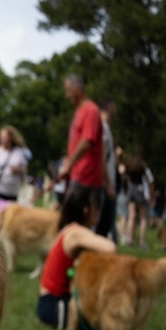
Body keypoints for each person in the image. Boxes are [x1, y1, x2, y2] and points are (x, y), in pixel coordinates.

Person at [37, 183, 117, 330]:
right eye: (97, 207)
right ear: (87, 210)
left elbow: (69, 272)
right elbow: (110, 248)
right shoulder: (76, 232)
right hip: (55, 305)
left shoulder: (68, 228)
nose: (99, 212)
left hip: (48, 303)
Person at [56, 75, 106, 221]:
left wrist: (69, 165)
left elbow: (86, 142)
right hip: (78, 175)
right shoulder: (80, 111)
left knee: (74, 223)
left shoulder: (91, 110)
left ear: (78, 89)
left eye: (68, 90)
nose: (67, 95)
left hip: (86, 178)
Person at [95, 97, 119, 240]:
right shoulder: (103, 127)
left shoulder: (106, 127)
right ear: (109, 107)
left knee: (104, 226)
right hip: (104, 184)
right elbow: (101, 157)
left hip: (106, 182)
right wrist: (109, 184)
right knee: (101, 226)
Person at [123, 149, 153, 249]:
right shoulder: (142, 165)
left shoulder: (129, 164)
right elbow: (148, 180)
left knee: (131, 216)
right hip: (140, 190)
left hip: (131, 189)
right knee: (143, 218)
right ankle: (142, 242)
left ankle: (130, 239)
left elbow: (125, 175)